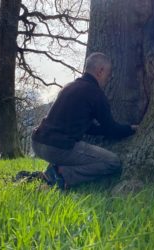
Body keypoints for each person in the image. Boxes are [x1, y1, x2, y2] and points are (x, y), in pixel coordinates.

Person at [32, 52, 138, 189]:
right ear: (100, 71)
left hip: (38, 142)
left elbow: (87, 127)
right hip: (57, 148)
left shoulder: (69, 87)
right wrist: (131, 129)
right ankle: (60, 177)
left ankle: (52, 172)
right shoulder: (95, 93)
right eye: (109, 73)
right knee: (113, 162)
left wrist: (102, 130)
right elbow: (111, 129)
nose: (109, 78)